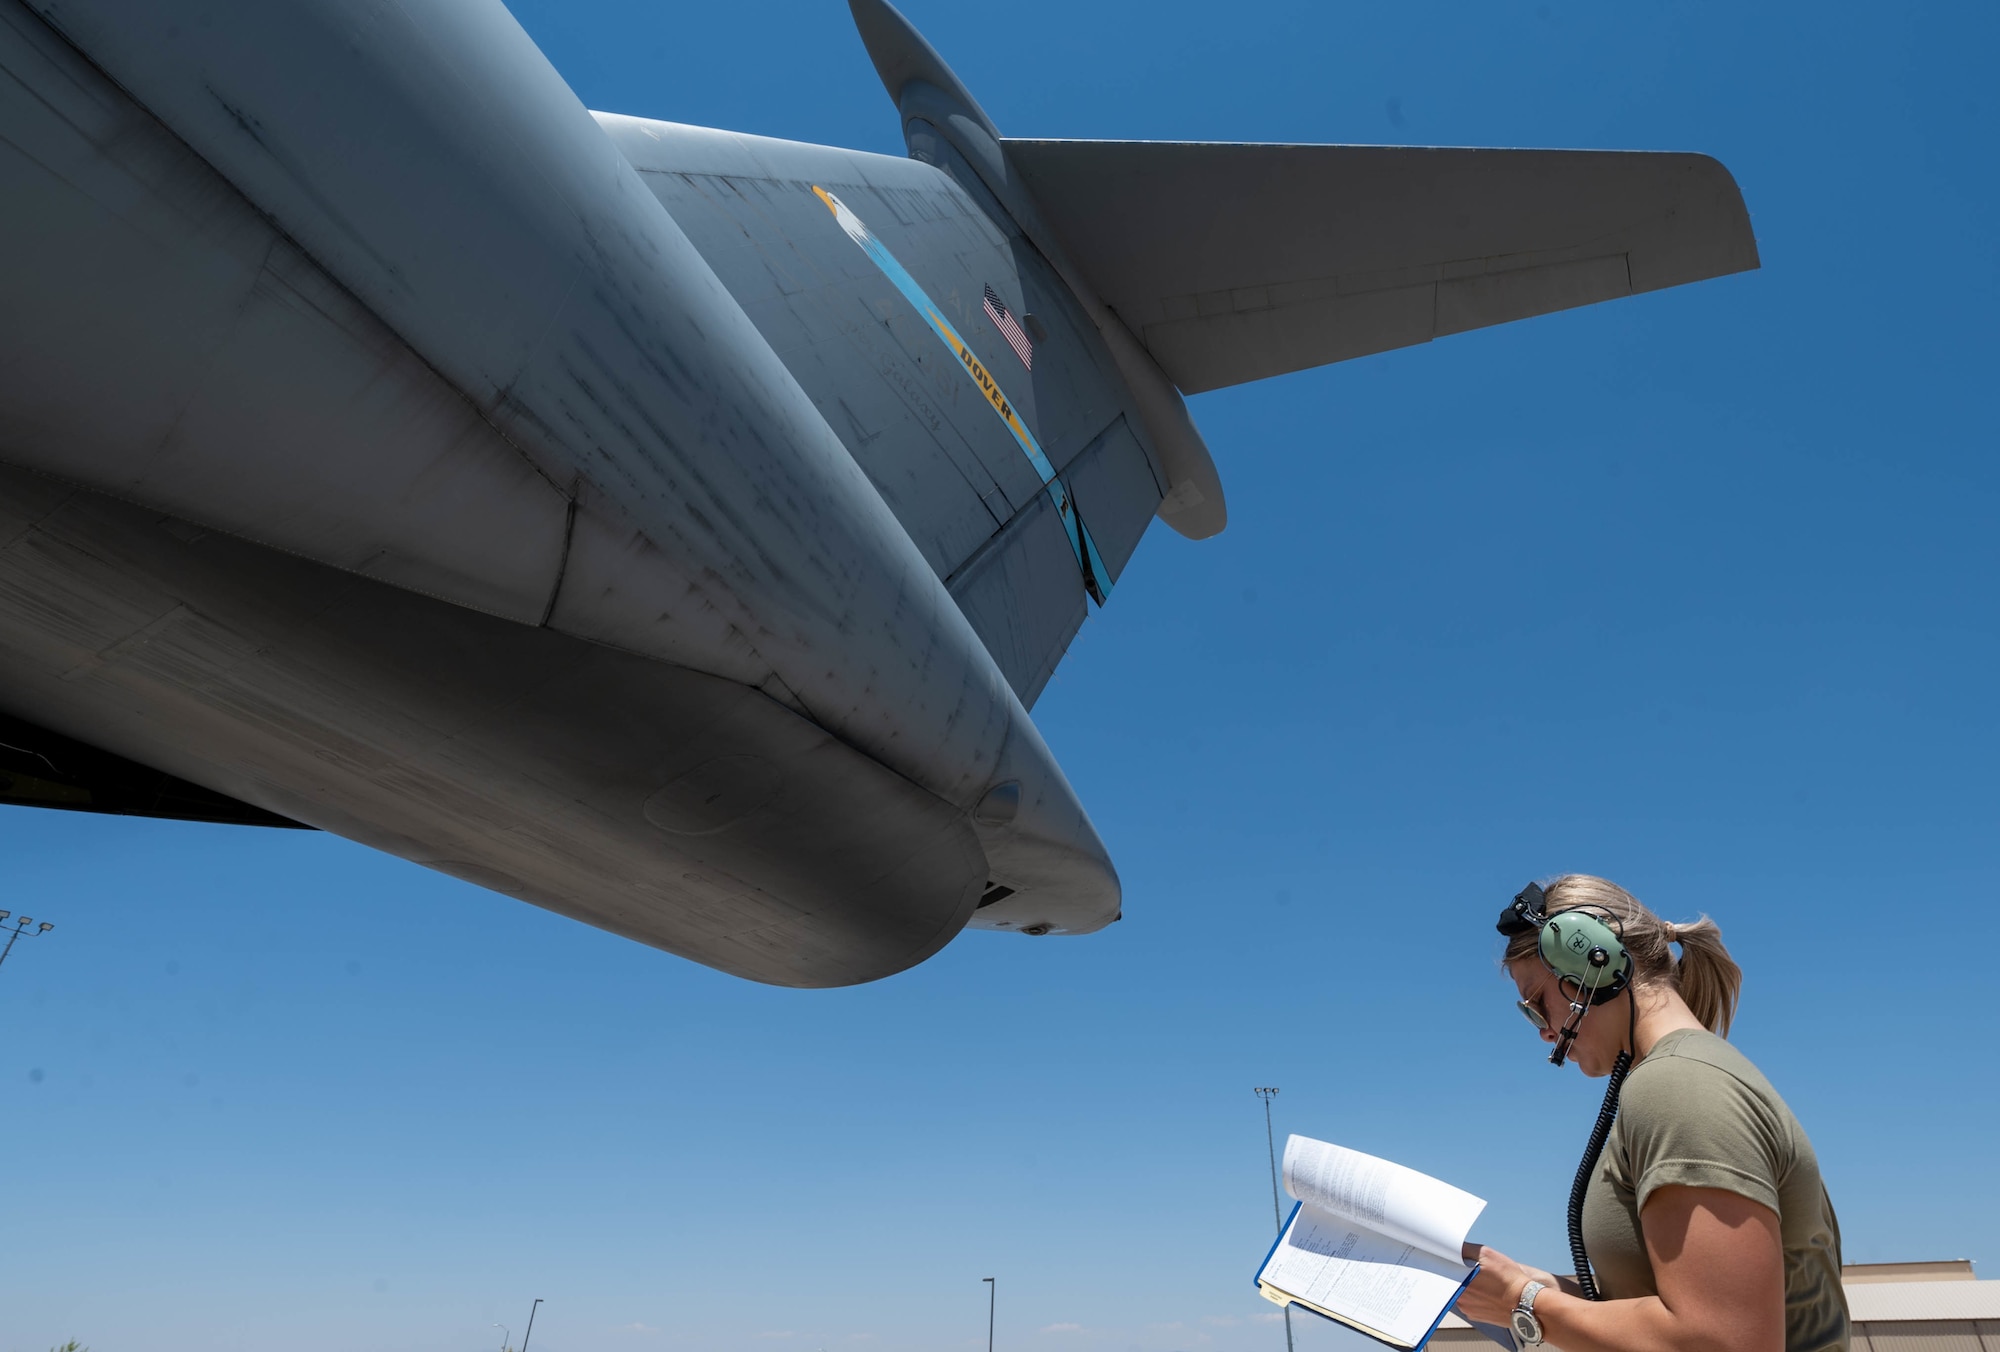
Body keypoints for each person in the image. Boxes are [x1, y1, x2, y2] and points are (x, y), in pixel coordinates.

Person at [1454, 874, 1848, 1352]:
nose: (1543, 1030)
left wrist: (1523, 1301)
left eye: (1538, 1003)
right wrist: (1534, 1287)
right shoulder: (1683, 1075)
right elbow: (1668, 1310)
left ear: (1594, 959)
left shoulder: (1678, 1086)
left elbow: (1723, 1341)